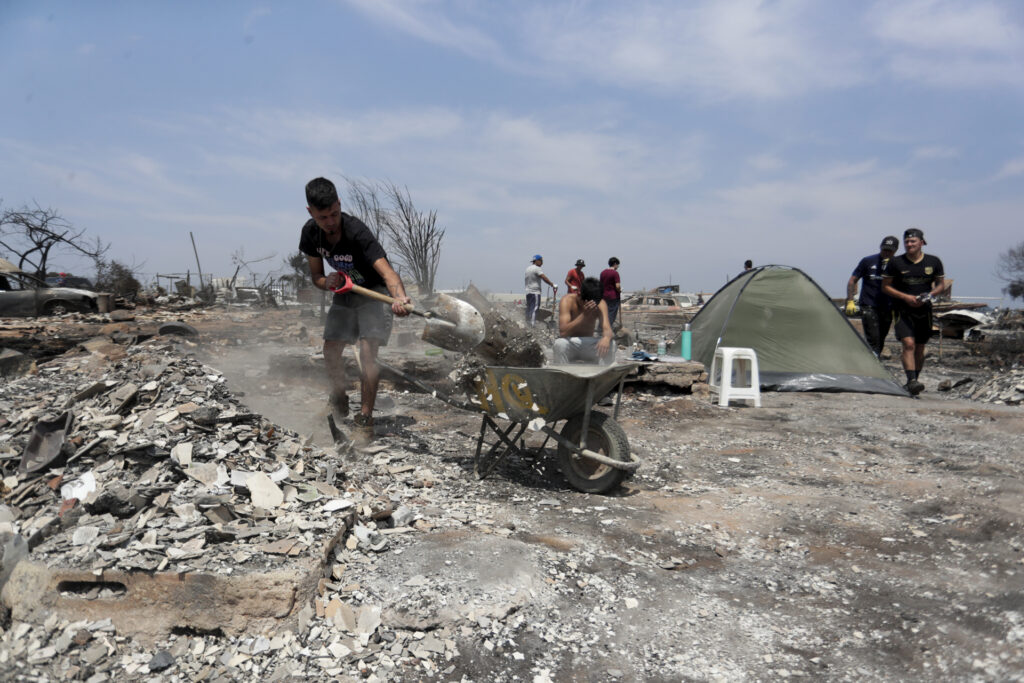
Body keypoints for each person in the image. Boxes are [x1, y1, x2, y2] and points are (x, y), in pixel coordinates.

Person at [298, 177, 412, 439]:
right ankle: (338, 399)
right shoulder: (310, 234)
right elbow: (317, 278)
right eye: (323, 216)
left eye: (334, 214)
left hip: (375, 294)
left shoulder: (357, 232)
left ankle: (365, 419)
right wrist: (329, 281)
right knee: (330, 350)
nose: (330, 221)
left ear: (340, 204)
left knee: (368, 354)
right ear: (311, 213)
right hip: (345, 294)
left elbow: (389, 274)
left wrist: (400, 298)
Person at [882, 228, 945, 396]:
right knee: (908, 344)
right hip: (902, 309)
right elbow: (886, 286)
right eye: (907, 242)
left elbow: (941, 284)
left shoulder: (934, 261)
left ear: (921, 243)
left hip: (924, 310)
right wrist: (906, 297)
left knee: (919, 347)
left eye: (913, 241)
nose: (909, 244)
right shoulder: (895, 262)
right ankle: (911, 380)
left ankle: (914, 380)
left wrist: (930, 294)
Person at [846, 235, 898, 356]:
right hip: (869, 305)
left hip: (888, 307)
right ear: (880, 247)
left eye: (889, 251)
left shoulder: (898, 264)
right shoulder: (868, 261)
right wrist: (850, 301)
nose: (886, 252)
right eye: (884, 249)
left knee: (881, 338)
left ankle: (874, 360)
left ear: (895, 251)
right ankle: (873, 364)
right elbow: (852, 280)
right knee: (873, 338)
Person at [553, 277, 614, 364]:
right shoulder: (567, 301)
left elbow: (607, 328)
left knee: (612, 344)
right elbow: (563, 332)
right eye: (587, 302)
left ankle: (603, 374)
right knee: (559, 344)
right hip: (571, 343)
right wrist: (584, 315)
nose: (590, 306)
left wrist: (606, 338)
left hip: (589, 344)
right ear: (579, 294)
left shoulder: (600, 303)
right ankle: (563, 374)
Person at [524, 255, 556, 326]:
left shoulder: (528, 268)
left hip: (528, 292)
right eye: (541, 261)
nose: (542, 263)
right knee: (535, 308)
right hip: (535, 292)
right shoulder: (537, 268)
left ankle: (527, 322)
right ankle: (532, 324)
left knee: (529, 307)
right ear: (537, 261)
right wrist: (551, 284)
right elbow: (543, 277)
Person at [599, 257, 622, 328]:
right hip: (613, 297)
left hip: (604, 296)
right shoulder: (615, 273)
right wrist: (620, 290)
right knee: (611, 314)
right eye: (618, 265)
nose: (618, 267)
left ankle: (600, 329)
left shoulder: (603, 273)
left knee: (604, 313)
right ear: (615, 264)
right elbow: (617, 286)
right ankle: (607, 329)